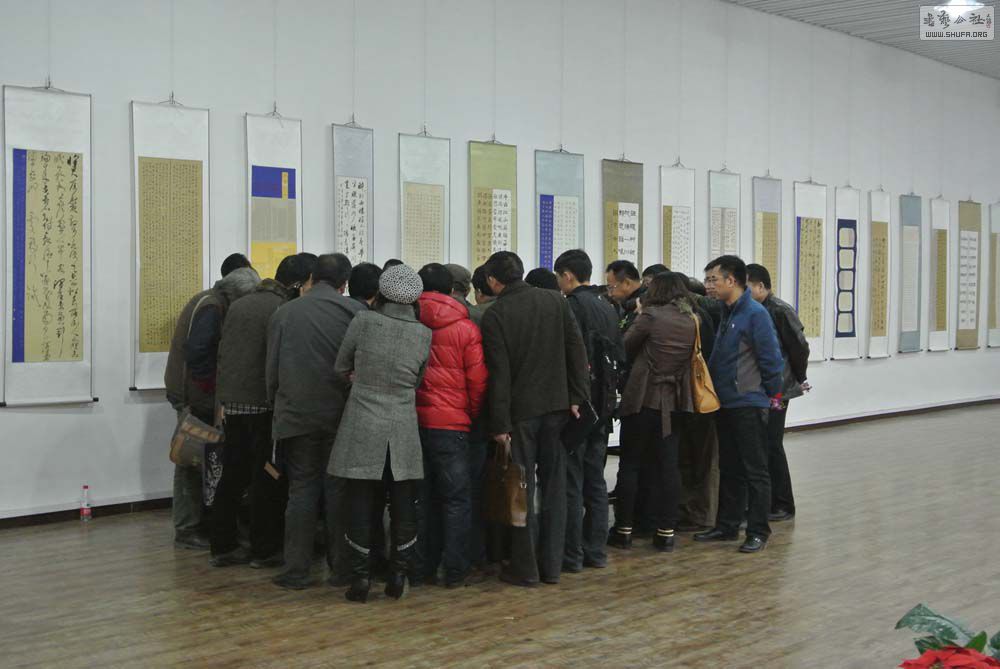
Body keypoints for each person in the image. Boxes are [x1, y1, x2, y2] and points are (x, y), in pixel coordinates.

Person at [479, 251, 590, 587]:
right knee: (555, 488)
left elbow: (499, 375)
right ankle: (552, 566)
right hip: (558, 408)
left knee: (521, 490)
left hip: (520, 414)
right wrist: (577, 397)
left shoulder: (496, 314)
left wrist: (499, 424)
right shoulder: (555, 301)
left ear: (492, 281)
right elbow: (576, 350)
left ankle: (525, 568)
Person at [329, 263, 432, 602]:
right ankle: (398, 575)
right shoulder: (423, 333)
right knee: (403, 502)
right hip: (402, 425)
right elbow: (417, 381)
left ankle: (360, 579)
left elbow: (340, 367)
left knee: (359, 500)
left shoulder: (363, 321)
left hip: (362, 422)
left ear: (381, 292)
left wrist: (359, 382)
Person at [266, 253, 364, 589]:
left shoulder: (285, 313)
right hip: (341, 415)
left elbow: (272, 372)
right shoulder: (356, 313)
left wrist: (277, 405)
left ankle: (296, 570)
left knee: (301, 490)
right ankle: (342, 570)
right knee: (339, 492)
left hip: (297, 415)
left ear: (311, 278)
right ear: (344, 283)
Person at [210, 254, 313, 568]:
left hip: (233, 403)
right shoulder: (283, 310)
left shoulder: (240, 304)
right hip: (264, 405)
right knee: (267, 477)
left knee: (232, 474)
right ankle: (264, 549)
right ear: (298, 284)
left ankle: (223, 545)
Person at [165, 263, 260, 550]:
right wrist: (214, 393)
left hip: (193, 393)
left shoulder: (210, 300)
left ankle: (201, 523)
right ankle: (187, 528)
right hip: (194, 397)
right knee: (190, 457)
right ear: (236, 295)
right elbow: (198, 355)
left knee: (202, 458)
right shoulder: (212, 307)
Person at [695, 255, 783, 554]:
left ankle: (758, 530)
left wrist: (773, 397)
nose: (708, 285)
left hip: (749, 402)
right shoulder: (727, 311)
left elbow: (771, 359)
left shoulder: (755, 314)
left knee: (755, 470)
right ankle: (727, 525)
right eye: (707, 279)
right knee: (729, 467)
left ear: (731, 281)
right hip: (726, 403)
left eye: (713, 279)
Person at [608, 272, 697, 552]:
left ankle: (624, 529)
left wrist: (637, 316)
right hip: (674, 401)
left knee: (631, 463)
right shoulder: (692, 319)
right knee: (668, 466)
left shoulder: (650, 316)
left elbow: (623, 347)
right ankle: (666, 532)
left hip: (642, 399)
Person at [414, 263, 488, 587]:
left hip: (414, 422)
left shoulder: (408, 321)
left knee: (422, 498)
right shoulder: (466, 327)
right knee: (457, 499)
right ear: (453, 289)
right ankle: (455, 570)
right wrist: (468, 414)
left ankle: (422, 568)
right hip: (452, 425)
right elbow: (477, 381)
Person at [553, 249, 624, 572]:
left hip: (579, 407)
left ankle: (572, 554)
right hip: (604, 407)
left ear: (567, 275)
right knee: (596, 480)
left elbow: (571, 359)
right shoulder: (607, 306)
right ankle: (595, 550)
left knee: (571, 480)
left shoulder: (571, 306)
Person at [747, 263, 810, 522]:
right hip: (761, 388)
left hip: (778, 390)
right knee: (762, 445)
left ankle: (784, 504)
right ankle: (767, 501)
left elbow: (799, 347)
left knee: (772, 444)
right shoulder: (754, 310)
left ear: (761, 286)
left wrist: (799, 377)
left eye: (747, 287)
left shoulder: (780, 310)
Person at [605, 260, 645, 333]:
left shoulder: (645, 305)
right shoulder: (626, 304)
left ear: (627, 283)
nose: (609, 294)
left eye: (611, 288)